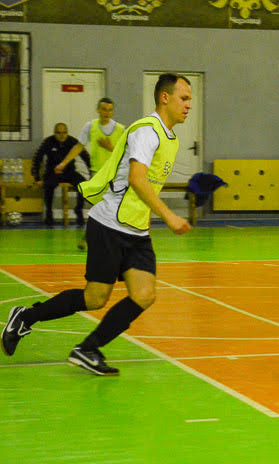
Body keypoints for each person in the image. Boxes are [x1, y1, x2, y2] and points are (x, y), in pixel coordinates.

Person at [2, 73, 193, 375]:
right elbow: (137, 179)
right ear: (165, 98)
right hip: (110, 226)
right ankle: (26, 317)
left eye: (190, 100)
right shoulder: (147, 131)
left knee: (144, 295)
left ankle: (87, 349)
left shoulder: (171, 138)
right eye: (184, 98)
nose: (189, 105)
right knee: (94, 298)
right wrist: (169, 216)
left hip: (137, 230)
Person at [56, 97, 125, 248]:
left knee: (112, 208)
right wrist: (64, 162)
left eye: (109, 110)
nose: (106, 113)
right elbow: (79, 147)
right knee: (99, 208)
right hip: (98, 174)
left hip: (116, 174)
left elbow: (125, 154)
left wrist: (110, 147)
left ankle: (94, 238)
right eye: (104, 109)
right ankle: (92, 237)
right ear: (98, 110)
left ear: (112, 112)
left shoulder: (120, 129)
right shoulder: (91, 126)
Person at [31, 123, 90, 227]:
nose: (62, 135)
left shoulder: (72, 141)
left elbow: (86, 157)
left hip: (69, 172)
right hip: (52, 172)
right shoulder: (48, 142)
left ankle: (79, 210)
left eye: (64, 133)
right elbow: (37, 159)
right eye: (59, 133)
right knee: (48, 185)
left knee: (83, 185)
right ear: (54, 133)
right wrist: (37, 178)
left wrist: (92, 173)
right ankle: (49, 213)